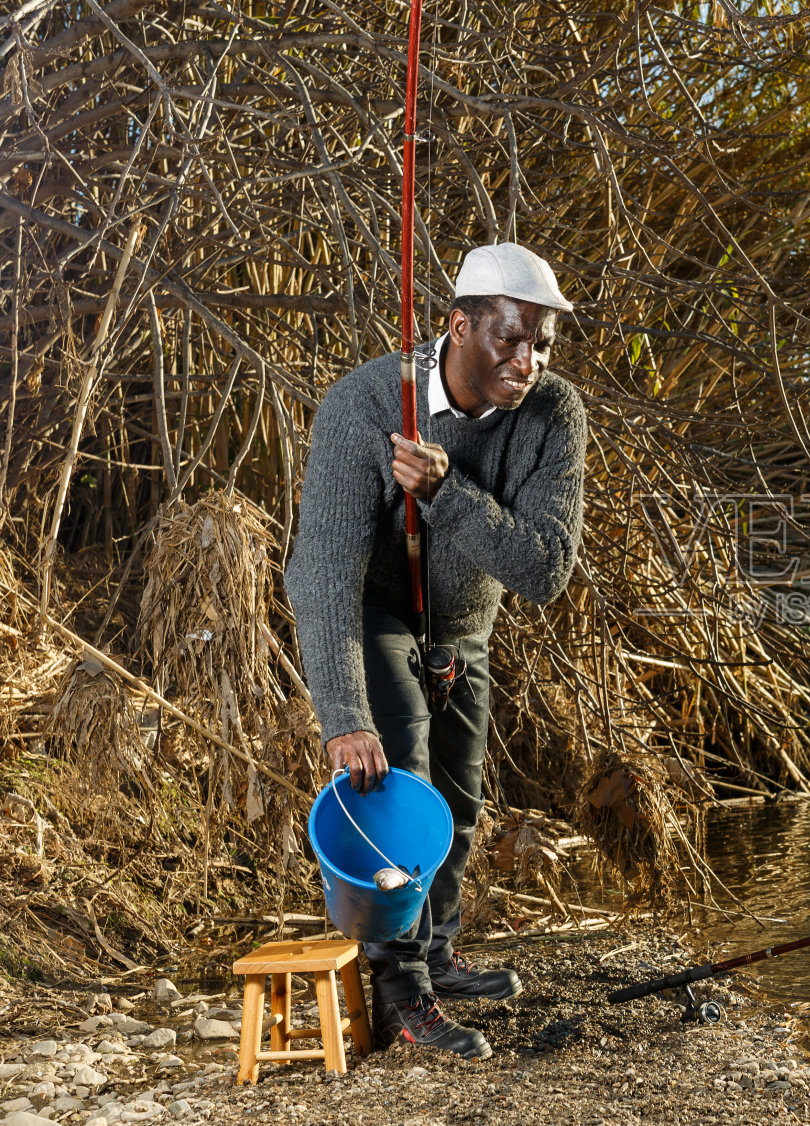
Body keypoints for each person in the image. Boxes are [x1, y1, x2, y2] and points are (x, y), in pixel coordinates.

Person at [285, 243, 586, 1059]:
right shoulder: (365, 403)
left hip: (463, 621)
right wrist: (344, 715)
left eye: (544, 346)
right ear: (460, 326)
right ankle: (401, 991)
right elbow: (320, 576)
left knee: (458, 802)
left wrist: (445, 495)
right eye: (512, 339)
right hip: (380, 611)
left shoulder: (552, 414)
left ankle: (439, 951)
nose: (528, 362)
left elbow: (545, 570)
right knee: (402, 782)